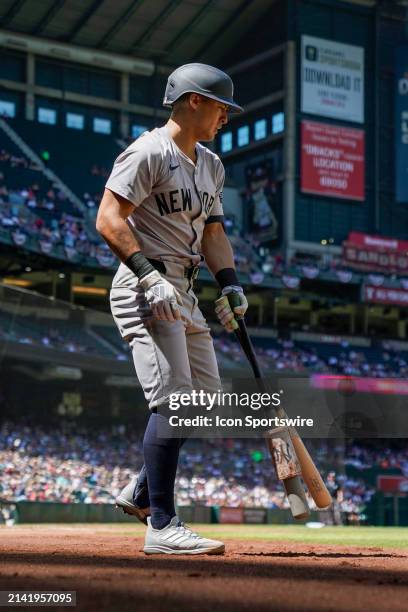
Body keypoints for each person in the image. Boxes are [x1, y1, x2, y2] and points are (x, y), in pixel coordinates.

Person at [96, 63, 247, 555]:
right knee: (176, 403)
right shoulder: (148, 151)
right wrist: (146, 273)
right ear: (194, 100)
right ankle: (161, 524)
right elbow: (108, 218)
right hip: (147, 286)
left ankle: (142, 490)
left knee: (205, 407)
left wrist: (230, 286)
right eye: (221, 105)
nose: (227, 115)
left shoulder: (212, 165)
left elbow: (214, 235)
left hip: (186, 290)